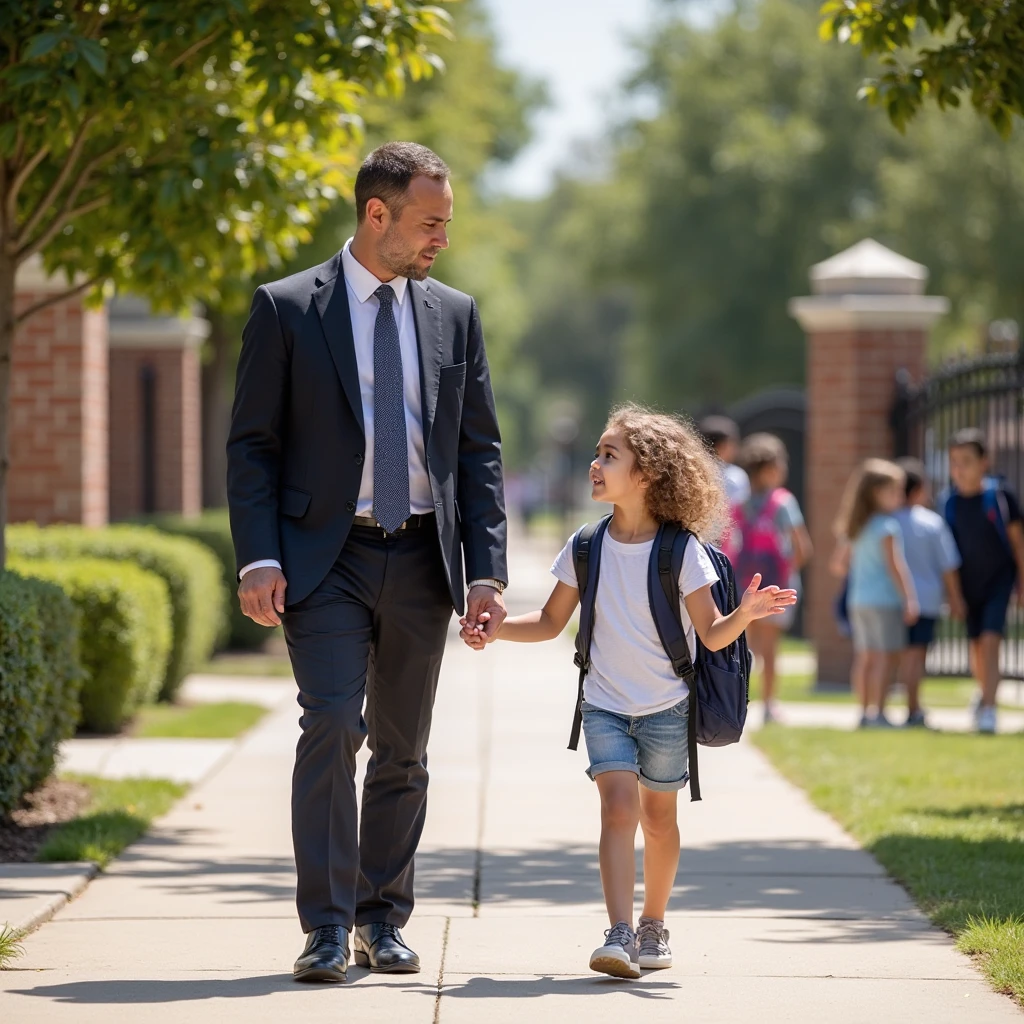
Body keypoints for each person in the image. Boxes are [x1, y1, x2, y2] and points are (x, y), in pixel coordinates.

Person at [227, 142, 508, 982]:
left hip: (424, 554)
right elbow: (253, 447)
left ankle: (383, 920)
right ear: (375, 214)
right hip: (326, 556)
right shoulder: (286, 309)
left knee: (403, 749)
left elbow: (479, 450)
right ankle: (325, 926)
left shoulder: (455, 314)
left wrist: (485, 569)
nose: (442, 241)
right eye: (430, 223)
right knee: (332, 725)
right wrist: (259, 557)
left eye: (447, 224)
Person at [460, 404, 795, 979]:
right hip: (604, 704)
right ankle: (617, 932)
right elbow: (547, 621)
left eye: (609, 455)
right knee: (618, 809)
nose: (594, 464)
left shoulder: (681, 552)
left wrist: (747, 613)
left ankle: (653, 922)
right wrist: (495, 631)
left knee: (658, 820)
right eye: (596, 453)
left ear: (648, 475)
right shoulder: (586, 545)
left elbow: (713, 635)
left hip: (666, 708)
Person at [944, 428, 1024, 734]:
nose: (959, 469)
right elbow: (947, 555)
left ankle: (990, 709)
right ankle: (983, 692)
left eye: (966, 460)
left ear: (984, 462)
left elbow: (1018, 544)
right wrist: (953, 595)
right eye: (954, 462)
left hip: (999, 580)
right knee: (976, 645)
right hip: (967, 585)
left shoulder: (1001, 497)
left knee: (991, 640)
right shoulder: (949, 503)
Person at [831, 460, 918, 728]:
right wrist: (910, 599)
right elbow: (896, 567)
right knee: (885, 656)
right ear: (876, 493)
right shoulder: (887, 527)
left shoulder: (856, 527)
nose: (899, 497)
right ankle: (879, 713)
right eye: (894, 491)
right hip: (885, 601)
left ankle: (864, 712)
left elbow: (838, 564)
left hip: (859, 601)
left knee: (865, 657)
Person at [735, 433, 813, 724]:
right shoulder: (783, 502)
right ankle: (769, 705)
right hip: (777, 587)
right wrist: (788, 571)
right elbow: (802, 547)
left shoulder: (741, 504)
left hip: (747, 585)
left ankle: (740, 701)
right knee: (770, 650)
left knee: (746, 649)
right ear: (770, 469)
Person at [894, 457, 965, 728]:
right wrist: (956, 599)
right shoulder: (932, 523)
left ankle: (893, 706)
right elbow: (948, 565)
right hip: (927, 600)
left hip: (896, 601)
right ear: (918, 489)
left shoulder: (887, 521)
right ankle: (913, 709)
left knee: (899, 656)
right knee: (917, 656)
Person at [700, 415, 750, 505]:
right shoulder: (735, 476)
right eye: (732, 444)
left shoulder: (695, 472)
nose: (736, 449)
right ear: (721, 446)